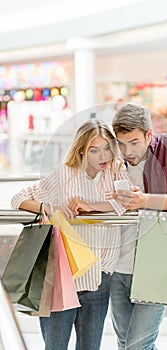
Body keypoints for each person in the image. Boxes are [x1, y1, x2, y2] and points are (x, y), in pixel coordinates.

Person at [11, 118, 132, 350]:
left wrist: (92, 206)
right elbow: (18, 198)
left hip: (98, 279)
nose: (102, 156)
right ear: (81, 150)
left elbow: (126, 203)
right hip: (61, 277)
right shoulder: (64, 175)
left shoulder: (116, 170)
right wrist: (49, 208)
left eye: (107, 147)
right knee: (55, 346)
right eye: (94, 150)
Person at [110, 103, 167, 350]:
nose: (127, 151)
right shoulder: (111, 159)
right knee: (125, 343)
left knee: (137, 346)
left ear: (148, 135)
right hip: (118, 265)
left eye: (133, 142)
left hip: (156, 263)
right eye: (121, 143)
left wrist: (145, 201)